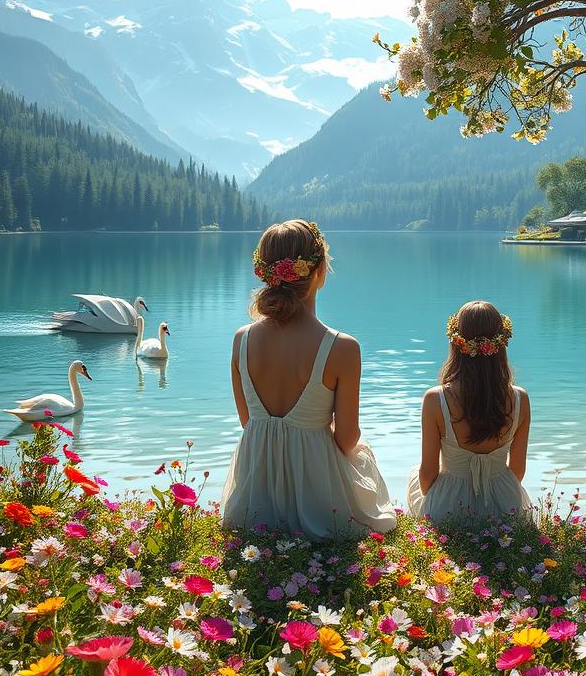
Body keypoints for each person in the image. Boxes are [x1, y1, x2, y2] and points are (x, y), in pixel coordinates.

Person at [221, 219, 396, 538]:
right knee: (362, 450)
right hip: (318, 497)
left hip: (257, 496)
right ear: (319, 271)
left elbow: (250, 424)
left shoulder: (241, 340)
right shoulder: (341, 347)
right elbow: (346, 438)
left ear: (266, 274)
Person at [406, 300, 531, 521]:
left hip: (449, 507)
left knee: (414, 477)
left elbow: (428, 475)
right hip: (504, 504)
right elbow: (518, 471)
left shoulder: (437, 399)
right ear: (501, 345)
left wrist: (438, 497)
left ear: (456, 343)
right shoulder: (520, 399)